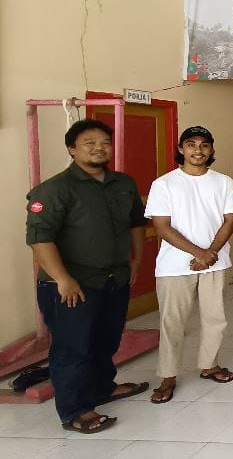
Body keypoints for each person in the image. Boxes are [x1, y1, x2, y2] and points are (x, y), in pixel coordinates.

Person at [26, 119, 149, 433]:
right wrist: (62, 278)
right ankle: (75, 410)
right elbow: (40, 239)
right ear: (71, 149)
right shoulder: (54, 189)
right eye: (89, 143)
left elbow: (136, 223)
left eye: (105, 142)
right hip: (72, 284)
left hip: (114, 279)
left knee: (106, 340)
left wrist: (135, 260)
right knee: (73, 347)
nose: (99, 148)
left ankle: (102, 388)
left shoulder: (123, 183)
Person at [144, 126, 233, 404]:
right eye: (191, 144)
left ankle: (210, 365)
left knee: (215, 319)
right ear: (181, 149)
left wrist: (210, 253)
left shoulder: (223, 182)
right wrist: (200, 253)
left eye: (204, 145)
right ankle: (168, 375)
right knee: (172, 322)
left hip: (215, 262)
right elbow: (161, 227)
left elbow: (231, 220)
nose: (198, 150)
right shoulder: (164, 184)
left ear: (211, 149)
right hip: (174, 266)